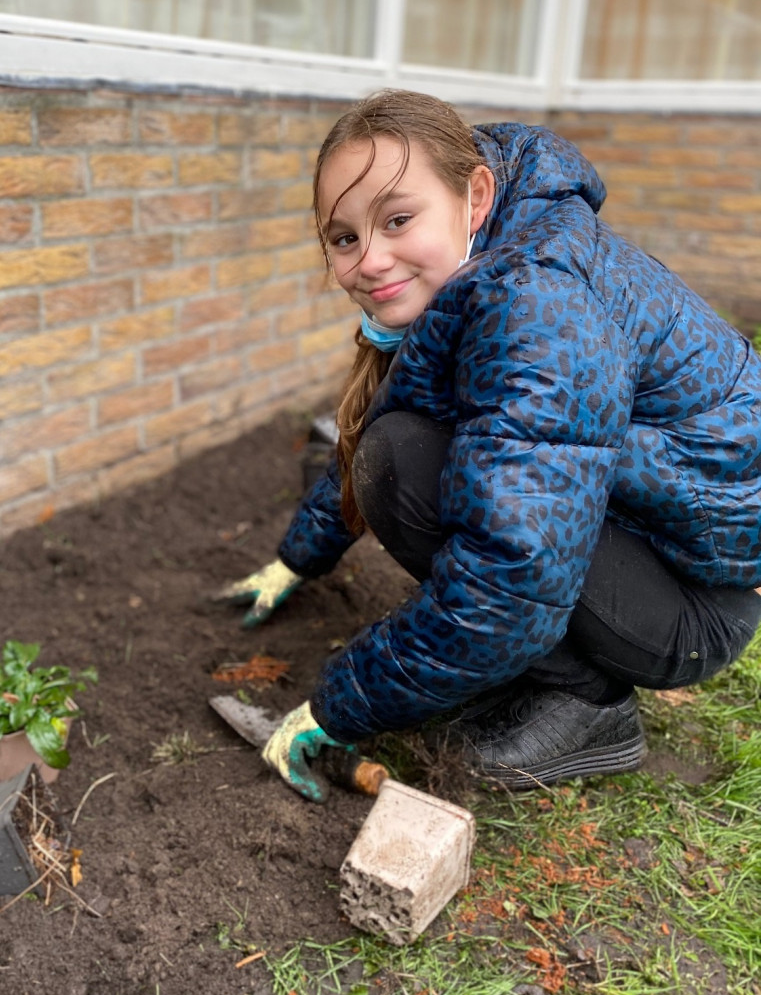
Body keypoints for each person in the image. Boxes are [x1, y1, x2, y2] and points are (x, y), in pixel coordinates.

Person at [218, 90, 761, 802]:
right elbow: (400, 410)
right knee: (402, 451)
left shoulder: (533, 303)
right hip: (643, 540)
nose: (370, 259)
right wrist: (297, 557)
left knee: (404, 464)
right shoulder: (492, 262)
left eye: (397, 219)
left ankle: (590, 705)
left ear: (474, 195)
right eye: (345, 237)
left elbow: (513, 577)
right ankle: (535, 671)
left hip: (694, 605)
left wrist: (339, 704)